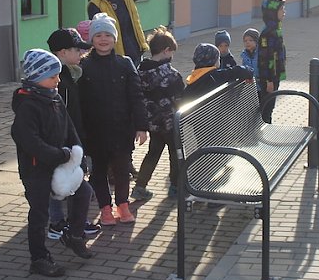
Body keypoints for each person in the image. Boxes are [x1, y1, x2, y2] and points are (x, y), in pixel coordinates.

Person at [10, 49, 94, 278]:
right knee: (39, 215)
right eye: (52, 76)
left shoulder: (54, 97)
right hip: (36, 170)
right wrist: (60, 155)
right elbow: (30, 142)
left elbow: (69, 128)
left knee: (84, 192)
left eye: (58, 75)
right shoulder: (27, 106)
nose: (58, 80)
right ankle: (38, 258)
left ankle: (75, 235)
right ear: (36, 77)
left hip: (62, 163)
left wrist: (77, 152)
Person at [78, 13, 148, 225]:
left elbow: (137, 96)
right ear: (91, 39)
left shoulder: (125, 64)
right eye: (98, 35)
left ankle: (122, 206)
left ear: (114, 38)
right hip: (95, 131)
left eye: (107, 35)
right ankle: (105, 208)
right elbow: (78, 103)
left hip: (121, 130)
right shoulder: (84, 66)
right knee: (98, 171)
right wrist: (79, 132)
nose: (103, 39)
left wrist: (141, 126)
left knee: (122, 169)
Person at [45, 28, 102, 241]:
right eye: (77, 50)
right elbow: (60, 117)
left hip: (72, 140)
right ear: (62, 52)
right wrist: (67, 144)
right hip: (63, 144)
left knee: (70, 183)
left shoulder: (69, 74)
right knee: (62, 184)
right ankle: (59, 223)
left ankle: (69, 221)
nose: (81, 54)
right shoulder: (60, 80)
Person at [131, 27, 185, 201]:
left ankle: (140, 186)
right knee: (175, 154)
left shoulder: (140, 71)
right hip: (170, 123)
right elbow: (180, 99)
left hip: (152, 123)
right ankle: (175, 187)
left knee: (153, 153)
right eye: (172, 52)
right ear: (166, 50)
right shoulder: (171, 74)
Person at [183, 43, 253, 103]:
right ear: (214, 61)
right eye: (218, 58)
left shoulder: (191, 82)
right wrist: (249, 73)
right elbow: (239, 70)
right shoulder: (215, 76)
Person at [258, 0, 286, 120]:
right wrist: (269, 80)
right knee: (267, 107)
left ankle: (266, 127)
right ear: (272, 13)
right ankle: (264, 130)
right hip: (269, 79)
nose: (284, 12)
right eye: (281, 9)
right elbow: (265, 58)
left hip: (274, 76)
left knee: (270, 106)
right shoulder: (268, 33)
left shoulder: (276, 30)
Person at [240, 27, 261, 95]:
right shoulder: (244, 55)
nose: (247, 43)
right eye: (245, 41)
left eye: (250, 40)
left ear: (256, 41)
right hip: (250, 87)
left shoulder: (261, 54)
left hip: (261, 86)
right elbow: (244, 68)